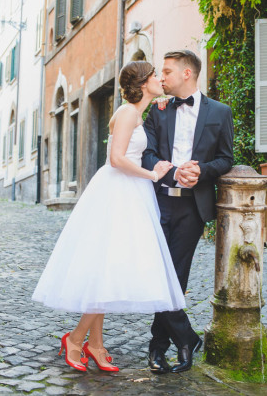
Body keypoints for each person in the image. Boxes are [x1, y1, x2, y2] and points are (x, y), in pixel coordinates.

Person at [32, 61, 186, 373]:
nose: (160, 79)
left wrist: (160, 103)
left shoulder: (134, 111)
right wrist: (152, 174)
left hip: (128, 192)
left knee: (107, 271)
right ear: (143, 83)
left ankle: (95, 344)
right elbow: (116, 159)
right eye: (156, 75)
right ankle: (76, 339)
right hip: (119, 193)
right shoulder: (128, 113)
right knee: (108, 268)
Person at [142, 50, 234, 374]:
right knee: (156, 275)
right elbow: (147, 155)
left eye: (167, 71)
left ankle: (158, 348)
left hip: (192, 208)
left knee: (175, 278)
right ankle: (186, 337)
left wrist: (201, 170)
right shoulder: (158, 111)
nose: (161, 77)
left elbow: (226, 159)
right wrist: (171, 173)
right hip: (159, 201)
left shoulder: (220, 113)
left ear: (187, 74)